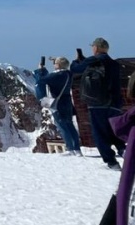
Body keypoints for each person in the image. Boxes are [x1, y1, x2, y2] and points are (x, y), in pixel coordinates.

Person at [70, 38, 126, 170]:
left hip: (97, 104)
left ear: (96, 48)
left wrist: (76, 60)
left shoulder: (93, 60)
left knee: (100, 133)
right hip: (115, 103)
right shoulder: (114, 64)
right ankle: (124, 151)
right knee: (114, 131)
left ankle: (111, 162)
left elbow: (75, 69)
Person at [34, 57, 81, 155]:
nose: (54, 65)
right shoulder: (68, 74)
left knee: (62, 125)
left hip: (57, 103)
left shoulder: (57, 75)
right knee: (70, 125)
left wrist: (40, 70)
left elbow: (41, 80)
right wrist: (58, 61)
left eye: (55, 63)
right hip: (67, 101)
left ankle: (70, 149)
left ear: (58, 65)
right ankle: (77, 149)